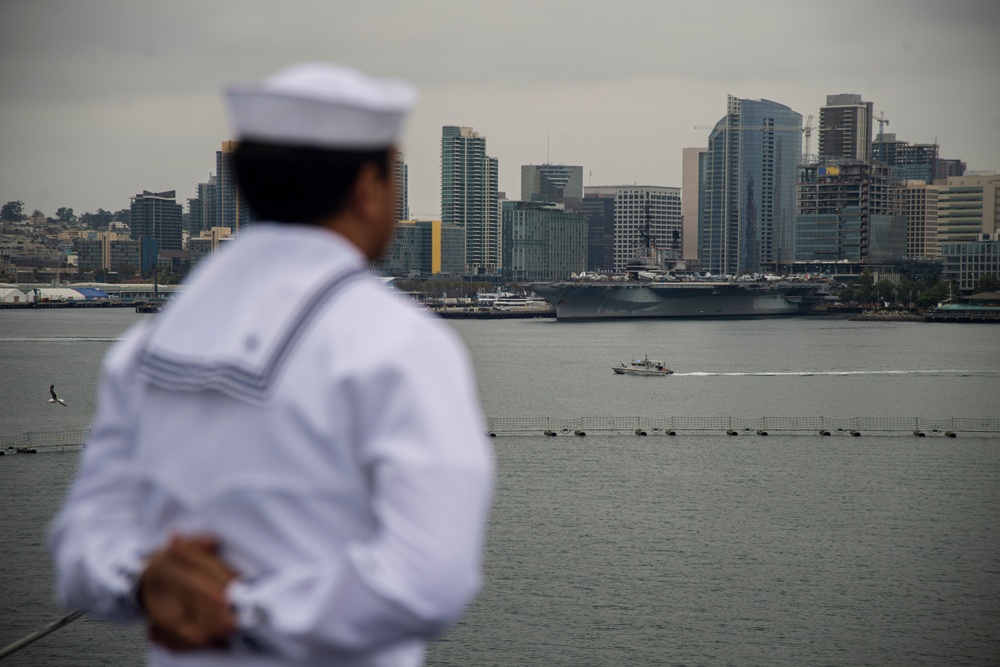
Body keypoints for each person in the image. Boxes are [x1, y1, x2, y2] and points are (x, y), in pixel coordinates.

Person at [48, 63, 495, 666]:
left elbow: (78, 544)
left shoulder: (146, 349)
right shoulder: (399, 345)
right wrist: (246, 608)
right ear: (369, 186)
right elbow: (430, 580)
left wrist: (144, 579)